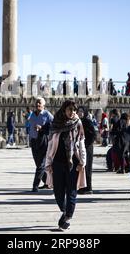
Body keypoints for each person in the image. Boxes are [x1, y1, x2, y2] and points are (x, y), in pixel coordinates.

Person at [45, 100, 87, 230]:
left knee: (71, 191)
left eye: (74, 110)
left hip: (73, 163)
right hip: (57, 162)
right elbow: (51, 145)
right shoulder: (56, 123)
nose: (72, 112)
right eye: (70, 110)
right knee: (58, 192)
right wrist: (48, 162)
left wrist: (82, 162)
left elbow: (81, 144)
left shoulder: (78, 123)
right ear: (64, 110)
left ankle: (67, 217)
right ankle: (64, 212)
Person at [28, 97, 53, 192]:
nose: (38, 104)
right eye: (37, 103)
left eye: (40, 103)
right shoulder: (32, 115)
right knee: (38, 163)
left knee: (41, 165)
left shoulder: (47, 114)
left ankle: (35, 185)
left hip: (43, 141)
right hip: (34, 141)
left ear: (43, 105)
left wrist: (42, 128)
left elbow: (53, 125)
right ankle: (48, 182)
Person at [77, 106, 97, 195]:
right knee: (81, 167)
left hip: (87, 147)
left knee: (87, 167)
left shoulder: (88, 122)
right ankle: (82, 187)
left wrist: (86, 144)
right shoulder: (77, 122)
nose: (80, 113)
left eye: (82, 111)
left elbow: (93, 135)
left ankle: (88, 187)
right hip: (79, 147)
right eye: (79, 111)